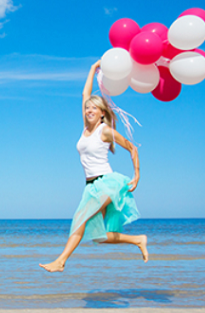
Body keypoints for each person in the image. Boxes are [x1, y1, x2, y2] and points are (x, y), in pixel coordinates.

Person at [39, 60, 148, 273]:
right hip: (90, 186)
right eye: (87, 107)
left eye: (94, 108)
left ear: (101, 113)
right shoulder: (85, 128)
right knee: (99, 236)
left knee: (80, 219)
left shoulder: (104, 130)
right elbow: (84, 94)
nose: (89, 109)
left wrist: (137, 175)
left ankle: (61, 261)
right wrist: (92, 69)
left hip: (107, 183)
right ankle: (138, 240)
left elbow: (132, 148)